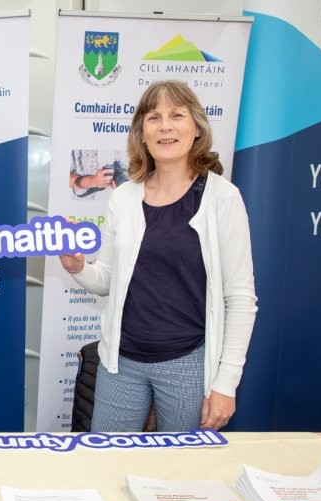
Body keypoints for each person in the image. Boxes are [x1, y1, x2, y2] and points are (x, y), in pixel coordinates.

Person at [60, 80, 257, 432]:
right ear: (142, 133)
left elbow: (240, 298)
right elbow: (107, 280)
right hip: (120, 363)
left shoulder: (222, 198)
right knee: (106, 458)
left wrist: (226, 383)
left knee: (179, 466)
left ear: (197, 128)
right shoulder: (124, 197)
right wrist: (78, 267)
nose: (165, 126)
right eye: (153, 118)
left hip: (188, 365)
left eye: (176, 115)